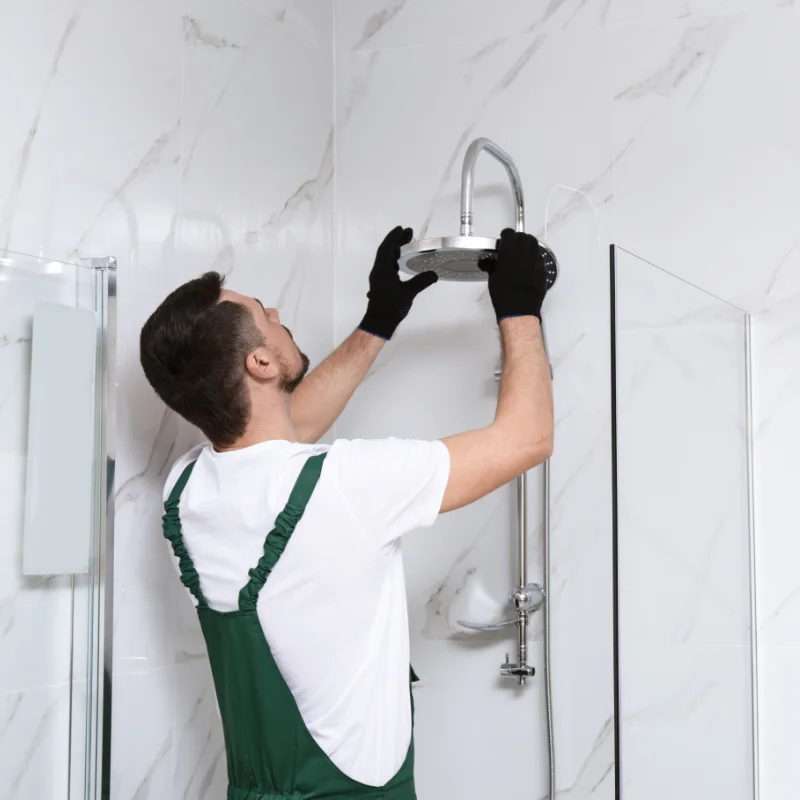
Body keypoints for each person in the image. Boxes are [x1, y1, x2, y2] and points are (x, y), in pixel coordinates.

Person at [139, 226, 553, 799]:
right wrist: (520, 309)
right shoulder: (345, 485)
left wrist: (377, 322)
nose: (277, 310)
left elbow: (284, 432)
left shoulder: (185, 489)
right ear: (260, 361)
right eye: (265, 312)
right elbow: (526, 438)